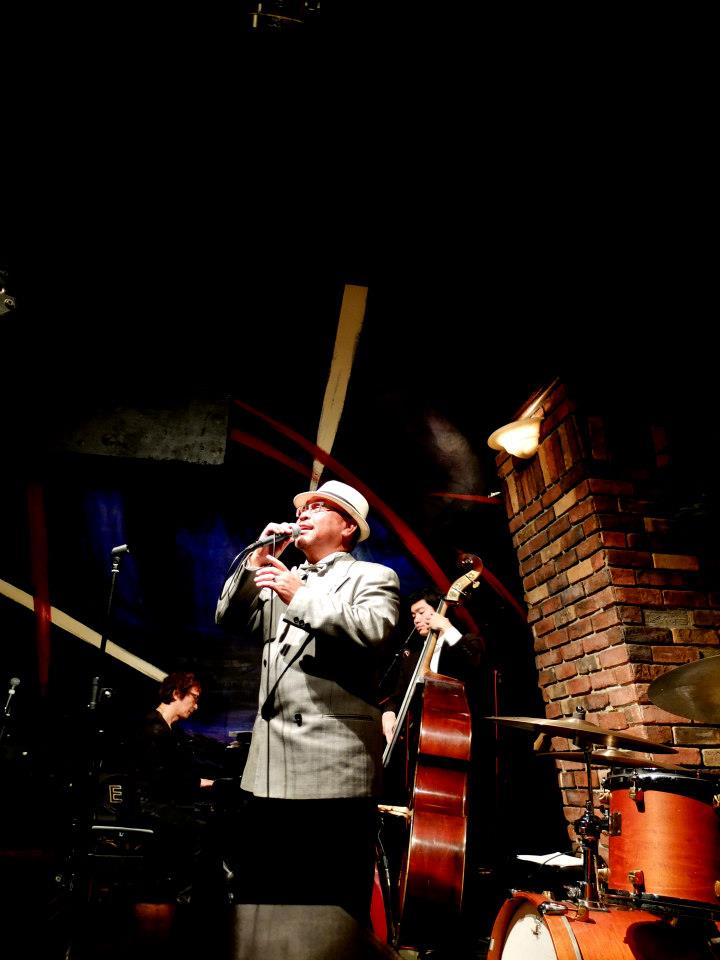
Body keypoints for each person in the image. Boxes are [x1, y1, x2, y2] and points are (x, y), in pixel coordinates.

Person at [215, 479, 400, 923]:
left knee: (327, 907)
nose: (304, 512)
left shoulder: (372, 576)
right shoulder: (285, 575)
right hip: (269, 768)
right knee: (262, 902)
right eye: (303, 506)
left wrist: (299, 595)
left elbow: (373, 629)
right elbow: (229, 617)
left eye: (319, 506)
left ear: (348, 527)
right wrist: (256, 563)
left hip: (331, 768)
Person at [134, 671, 226, 905]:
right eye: (194, 697)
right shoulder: (153, 729)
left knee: (207, 825)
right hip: (150, 807)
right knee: (203, 832)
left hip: (163, 802)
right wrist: (200, 783)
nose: (196, 706)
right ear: (176, 694)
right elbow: (162, 780)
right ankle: (186, 900)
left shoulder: (168, 729)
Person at [380, 589, 488, 748]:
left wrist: (447, 627)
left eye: (421, 612)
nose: (416, 620)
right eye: (413, 616)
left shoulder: (468, 640)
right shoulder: (412, 658)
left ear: (438, 610)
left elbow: (474, 662)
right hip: (421, 738)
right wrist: (389, 713)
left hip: (460, 736)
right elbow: (398, 696)